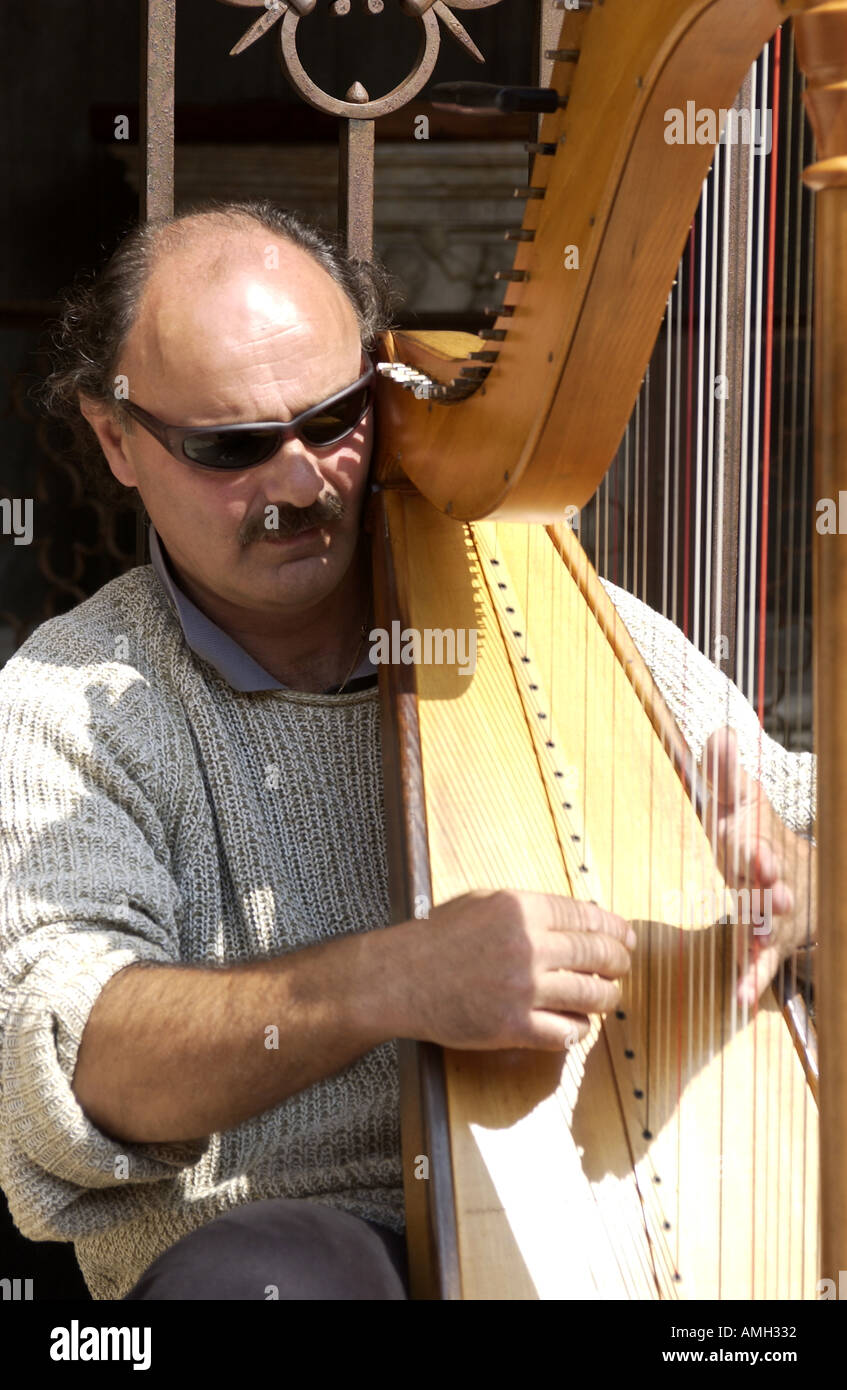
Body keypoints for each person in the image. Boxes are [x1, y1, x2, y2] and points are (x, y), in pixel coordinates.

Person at [0, 200, 816, 1301]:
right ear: (116, 440)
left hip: (602, 1216)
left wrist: (807, 889)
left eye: (334, 420)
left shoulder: (535, 611)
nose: (301, 481)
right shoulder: (70, 700)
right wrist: (394, 979)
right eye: (233, 448)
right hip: (296, 1249)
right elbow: (70, 1054)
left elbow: (796, 817)